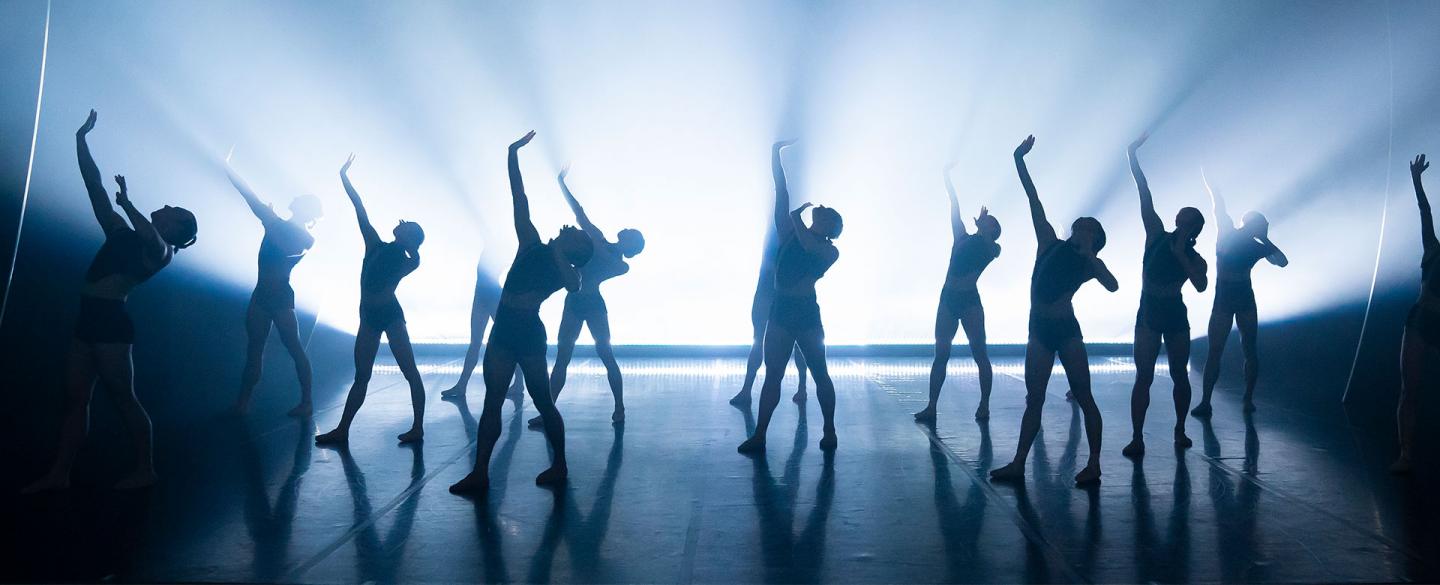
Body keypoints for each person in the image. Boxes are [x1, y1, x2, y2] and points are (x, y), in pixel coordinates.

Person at [22, 110, 198, 493]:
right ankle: (60, 474)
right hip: (88, 319)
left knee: (123, 397)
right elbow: (94, 187)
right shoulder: (121, 231)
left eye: (173, 211)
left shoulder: (162, 250)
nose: (165, 206)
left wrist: (129, 203)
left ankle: (145, 468)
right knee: (75, 398)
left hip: (111, 325)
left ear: (175, 228)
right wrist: (80, 140)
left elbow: (149, 236)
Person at [449, 131, 594, 494]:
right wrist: (512, 154)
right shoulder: (530, 242)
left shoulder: (568, 271)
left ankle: (559, 465)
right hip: (506, 332)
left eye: (574, 234)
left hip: (528, 334)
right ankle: (480, 472)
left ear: (575, 250)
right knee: (492, 401)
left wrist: (561, 248)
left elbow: (574, 284)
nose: (570, 227)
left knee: (543, 401)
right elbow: (520, 197)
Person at [989, 135, 1117, 487]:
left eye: (1088, 229)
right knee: (1035, 398)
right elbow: (1034, 200)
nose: (1081, 228)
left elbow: (1113, 285)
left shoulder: (1089, 262)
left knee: (1085, 394)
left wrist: (1091, 255)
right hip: (1039, 329)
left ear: (1093, 238)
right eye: (1081, 226)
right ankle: (1018, 462)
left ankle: (1094, 463)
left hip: (1065, 329)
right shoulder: (1048, 241)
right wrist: (1019, 160)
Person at [737, 140, 842, 454]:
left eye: (824, 215)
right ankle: (760, 435)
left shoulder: (829, 250)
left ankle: (830, 429)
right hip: (781, 309)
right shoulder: (790, 234)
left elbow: (809, 247)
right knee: (773, 374)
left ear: (829, 227)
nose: (818, 213)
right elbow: (780, 193)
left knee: (820, 372)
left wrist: (797, 218)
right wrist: (774, 154)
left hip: (805, 312)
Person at [314, 155, 426, 445]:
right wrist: (345, 178)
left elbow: (412, 255)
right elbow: (359, 207)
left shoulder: (398, 255)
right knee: (362, 375)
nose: (398, 222)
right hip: (370, 315)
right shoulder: (382, 247)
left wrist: (344, 177)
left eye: (404, 225)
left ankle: (418, 427)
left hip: (388, 314)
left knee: (409, 371)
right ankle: (342, 430)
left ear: (408, 237)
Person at [529, 165, 644, 427]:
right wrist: (561, 184)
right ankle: (549, 412)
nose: (624, 229)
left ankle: (619, 407)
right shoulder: (602, 243)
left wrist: (590, 240)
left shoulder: (620, 264)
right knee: (563, 357)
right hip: (578, 301)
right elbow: (579, 214)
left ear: (630, 246)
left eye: (629, 232)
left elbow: (588, 231)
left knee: (605, 354)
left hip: (589, 304)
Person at [1121, 134, 1208, 458]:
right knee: (1143, 376)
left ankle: (1180, 428)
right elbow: (1144, 194)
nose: (1180, 224)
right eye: (1180, 220)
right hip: (1149, 312)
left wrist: (1181, 254)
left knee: (1178, 374)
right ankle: (1137, 436)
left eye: (1187, 223)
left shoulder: (1194, 258)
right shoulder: (1156, 235)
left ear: (1194, 230)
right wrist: (1132, 156)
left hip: (1173, 314)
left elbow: (1200, 285)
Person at [225, 159, 321, 416]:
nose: (295, 198)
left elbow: (249, 196)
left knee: (280, 348)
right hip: (270, 294)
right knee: (270, 349)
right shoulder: (297, 233)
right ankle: (245, 404)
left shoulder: (282, 227)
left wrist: (228, 168)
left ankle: (303, 402)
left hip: (274, 295)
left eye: (300, 199)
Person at [1191, 170, 1288, 417]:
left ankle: (1239, 399)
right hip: (1229, 297)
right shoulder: (1228, 231)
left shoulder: (1255, 246)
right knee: (1221, 349)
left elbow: (1282, 262)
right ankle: (1209, 401)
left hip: (1239, 297)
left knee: (1245, 349)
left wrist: (1265, 241)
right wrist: (1207, 174)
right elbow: (1217, 200)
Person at [915, 162, 1001, 423]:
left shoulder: (992, 248)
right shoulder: (962, 237)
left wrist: (984, 227)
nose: (983, 219)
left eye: (989, 221)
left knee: (979, 353)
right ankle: (931, 406)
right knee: (941, 353)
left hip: (969, 302)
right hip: (948, 299)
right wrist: (946, 177)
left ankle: (984, 404)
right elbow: (954, 205)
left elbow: (990, 244)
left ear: (991, 230)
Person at [729, 218, 810, 408]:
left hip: (771, 294)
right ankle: (801, 387)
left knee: (759, 341)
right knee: (789, 342)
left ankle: (747, 390)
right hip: (777, 295)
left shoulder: (782, 239)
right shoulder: (796, 239)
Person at [1393, 154, 1439, 474]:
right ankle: (1406, 455)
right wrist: (1417, 182)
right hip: (1421, 321)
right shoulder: (1433, 249)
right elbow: (1426, 213)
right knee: (1410, 389)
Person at [438, 259, 524, 405]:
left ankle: (518, 383)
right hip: (484, 294)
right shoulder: (494, 247)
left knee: (507, 340)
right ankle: (462, 385)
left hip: (489, 294)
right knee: (478, 342)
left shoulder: (498, 247)